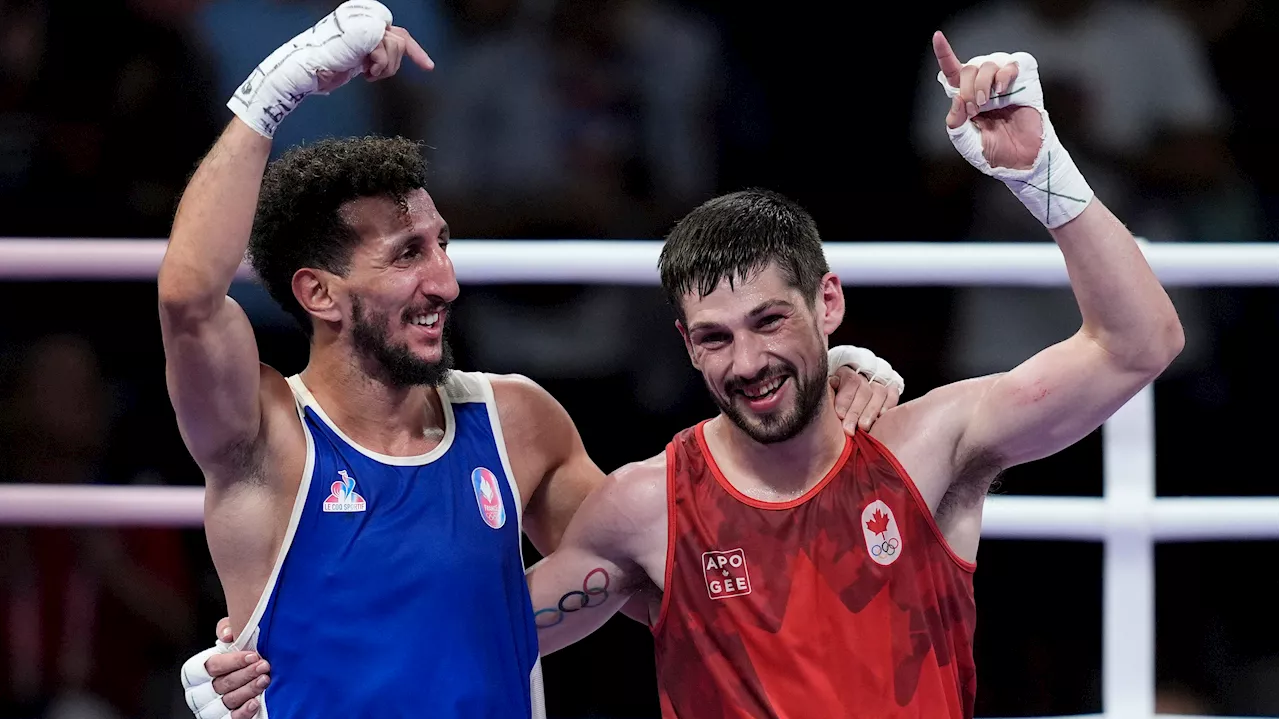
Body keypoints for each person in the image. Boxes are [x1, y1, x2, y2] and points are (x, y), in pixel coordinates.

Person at [193, 29, 1187, 718]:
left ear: (827, 305)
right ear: (683, 343)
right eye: (714, 337)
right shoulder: (645, 510)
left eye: (769, 323)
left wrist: (1037, 170)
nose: (747, 362)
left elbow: (1137, 343)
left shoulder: (929, 443)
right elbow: (457, 624)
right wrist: (255, 665)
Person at [159, 3, 897, 718]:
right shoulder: (265, 434)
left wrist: (807, 398)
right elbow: (189, 298)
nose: (445, 280)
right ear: (320, 293)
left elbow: (676, 567)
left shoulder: (516, 421)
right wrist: (283, 82)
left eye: (443, 243)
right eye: (408, 254)